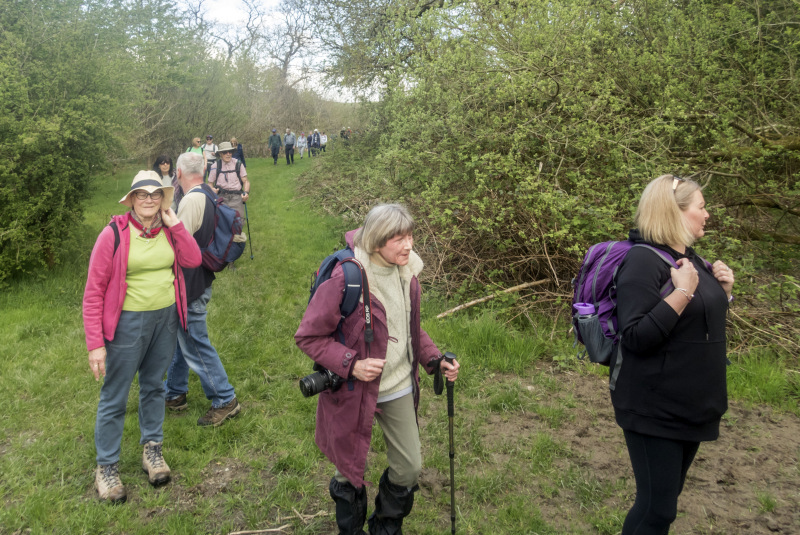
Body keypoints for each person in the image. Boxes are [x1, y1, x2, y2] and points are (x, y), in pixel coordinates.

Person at [295, 203, 461, 535]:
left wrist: (434, 358)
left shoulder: (406, 271)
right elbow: (309, 336)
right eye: (397, 239)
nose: (408, 245)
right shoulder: (348, 276)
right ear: (375, 241)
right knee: (348, 469)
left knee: (409, 467)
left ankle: (385, 527)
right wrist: (351, 364)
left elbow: (408, 325)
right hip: (353, 389)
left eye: (410, 236)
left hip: (398, 383)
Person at [612, 174, 735, 534]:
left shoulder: (691, 259)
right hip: (654, 405)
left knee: (665, 503)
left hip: (692, 404)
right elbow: (635, 337)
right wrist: (681, 294)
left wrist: (723, 292)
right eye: (701, 206)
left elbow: (696, 325)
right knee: (656, 510)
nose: (707, 214)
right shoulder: (642, 261)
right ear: (675, 211)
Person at [83, 171, 202, 503]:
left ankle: (152, 450)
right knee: (115, 395)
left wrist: (175, 223)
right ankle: (106, 467)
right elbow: (93, 293)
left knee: (154, 386)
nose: (149, 200)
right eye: (142, 194)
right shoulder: (113, 234)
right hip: (126, 324)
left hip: (165, 320)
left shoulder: (169, 231)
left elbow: (193, 259)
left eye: (155, 194)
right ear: (131, 199)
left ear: (163, 199)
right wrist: (95, 344)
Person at [164, 152, 242, 427]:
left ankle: (225, 398)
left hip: (191, 283)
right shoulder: (206, 193)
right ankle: (174, 393)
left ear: (178, 172)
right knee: (182, 337)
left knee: (195, 341)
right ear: (206, 168)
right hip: (199, 279)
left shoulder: (192, 199)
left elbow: (177, 246)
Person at [207, 141, 250, 219]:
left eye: (230, 152)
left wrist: (246, 192)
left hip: (236, 197)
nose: (228, 154)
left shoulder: (238, 164)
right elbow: (210, 183)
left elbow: (245, 181)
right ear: (220, 154)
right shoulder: (215, 166)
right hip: (221, 197)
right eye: (224, 152)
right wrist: (212, 189)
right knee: (222, 221)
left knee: (238, 221)